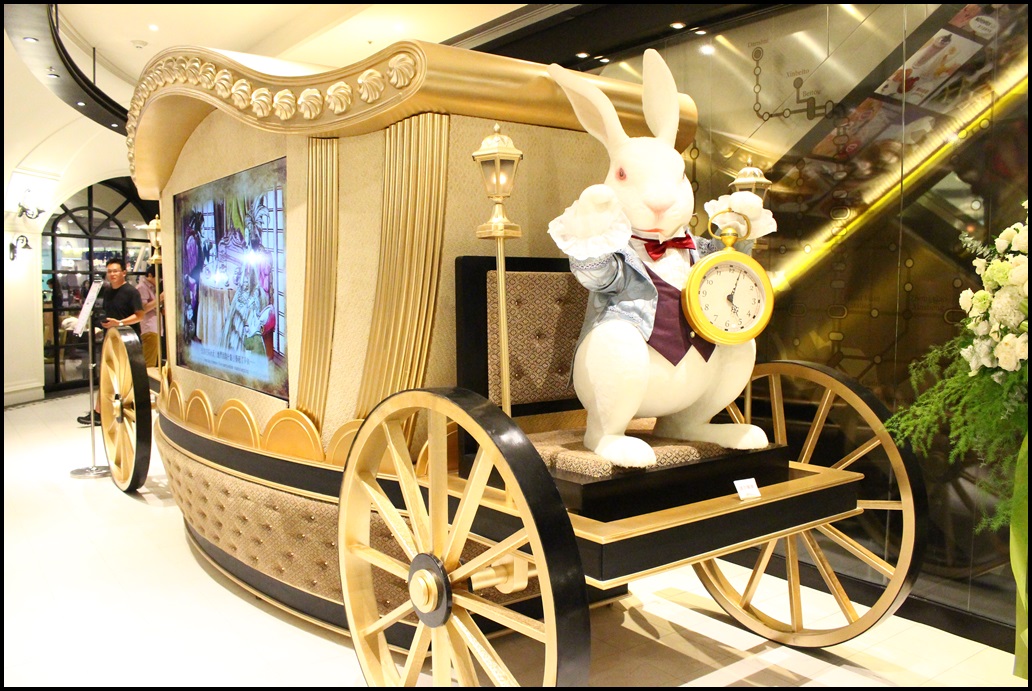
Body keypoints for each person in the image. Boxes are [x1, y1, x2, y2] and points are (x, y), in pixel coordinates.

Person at [77, 258, 145, 426]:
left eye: (115, 271)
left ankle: (131, 409)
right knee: (106, 375)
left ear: (124, 272)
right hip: (110, 337)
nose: (112, 274)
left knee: (127, 376)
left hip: (128, 339)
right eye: (109, 271)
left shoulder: (131, 292)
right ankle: (99, 412)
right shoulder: (107, 292)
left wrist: (119, 323)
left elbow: (139, 315)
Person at [137, 264, 162, 368]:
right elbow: (143, 309)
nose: (160, 281)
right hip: (149, 328)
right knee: (149, 363)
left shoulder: (153, 287)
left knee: (152, 361)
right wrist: (160, 298)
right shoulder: (142, 287)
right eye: (158, 278)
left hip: (154, 328)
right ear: (150, 275)